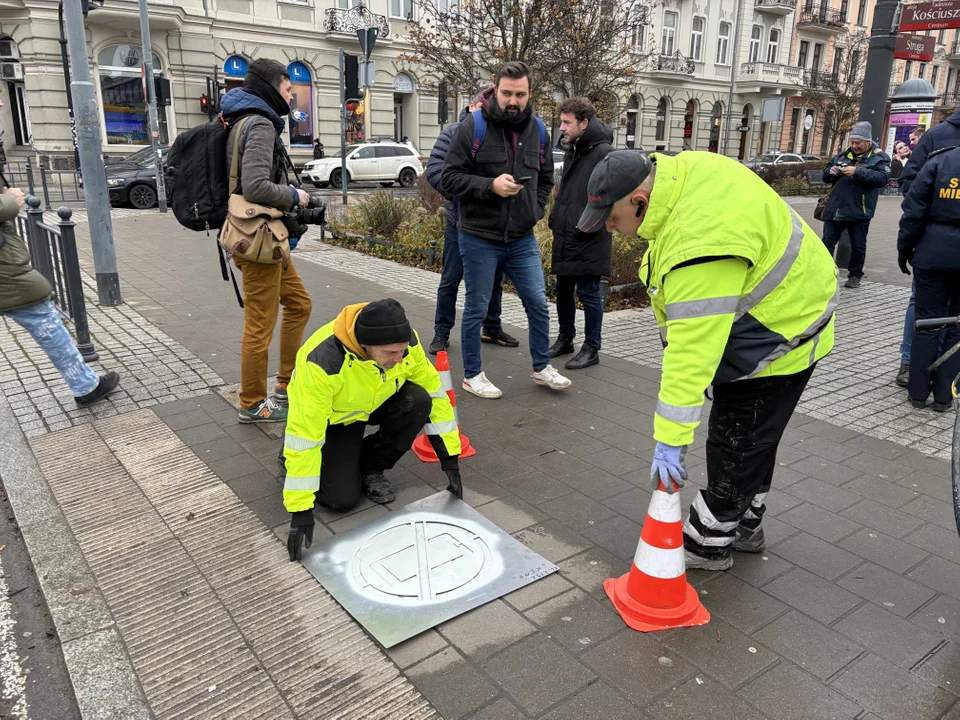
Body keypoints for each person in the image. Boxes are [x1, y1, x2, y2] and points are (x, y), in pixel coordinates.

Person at [578, 150, 837, 570]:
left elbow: (691, 355)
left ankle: (708, 545)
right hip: (789, 299)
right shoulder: (682, 174)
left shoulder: (698, 244)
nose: (610, 228)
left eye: (612, 218)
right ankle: (747, 521)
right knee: (756, 433)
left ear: (639, 202)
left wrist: (671, 439)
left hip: (783, 325)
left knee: (738, 436)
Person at [283, 299, 463, 561]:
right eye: (390, 354)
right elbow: (306, 436)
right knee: (341, 500)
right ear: (364, 345)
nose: (399, 358)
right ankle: (297, 455)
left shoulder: (404, 343)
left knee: (419, 400)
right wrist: (300, 510)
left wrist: (449, 459)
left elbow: (436, 394)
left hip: (377, 399)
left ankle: (371, 468)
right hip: (334, 419)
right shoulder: (322, 363)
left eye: (402, 351)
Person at [440, 61, 571, 398]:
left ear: (530, 95)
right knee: (477, 308)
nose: (514, 101)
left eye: (521, 94)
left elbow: (545, 178)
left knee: (538, 303)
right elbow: (448, 177)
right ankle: (472, 374)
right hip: (478, 235)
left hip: (521, 237)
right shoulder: (473, 127)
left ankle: (542, 367)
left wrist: (536, 208)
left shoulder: (538, 130)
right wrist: (489, 185)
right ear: (495, 90)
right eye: (507, 93)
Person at [221, 58, 313, 424]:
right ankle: (251, 402)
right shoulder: (258, 123)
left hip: (268, 238)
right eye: (289, 90)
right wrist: (294, 195)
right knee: (259, 325)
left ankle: (286, 385)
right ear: (272, 87)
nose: (291, 98)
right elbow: (256, 185)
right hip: (259, 239)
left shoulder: (241, 116)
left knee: (300, 304)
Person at [0, 174, 120, 407]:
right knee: (49, 328)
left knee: (47, 323)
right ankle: (86, 387)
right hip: (9, 277)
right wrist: (9, 200)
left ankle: (86, 384)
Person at [426, 93, 518, 356]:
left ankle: (491, 327)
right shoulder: (454, 133)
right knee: (451, 279)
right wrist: (468, 192)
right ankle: (442, 332)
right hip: (460, 220)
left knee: (495, 279)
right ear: (472, 107)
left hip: (493, 223)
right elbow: (435, 171)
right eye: (482, 108)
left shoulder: (503, 135)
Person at [893, 107, 960, 386]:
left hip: (931, 245)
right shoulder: (937, 135)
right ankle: (912, 365)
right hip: (931, 240)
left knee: (943, 317)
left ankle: (936, 381)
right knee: (924, 309)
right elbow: (910, 182)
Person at [547, 97, 613, 370]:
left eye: (566, 122)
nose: (561, 127)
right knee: (563, 291)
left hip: (588, 236)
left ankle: (592, 347)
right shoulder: (575, 149)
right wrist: (556, 219)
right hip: (567, 233)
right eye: (561, 122)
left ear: (584, 123)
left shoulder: (603, 152)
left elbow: (608, 197)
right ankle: (566, 338)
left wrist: (585, 225)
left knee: (588, 294)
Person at [820, 121, 891, 289]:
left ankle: (855, 276)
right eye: (852, 142)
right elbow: (825, 175)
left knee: (858, 246)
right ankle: (823, 273)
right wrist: (830, 172)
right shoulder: (843, 155)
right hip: (836, 208)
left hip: (860, 210)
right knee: (826, 244)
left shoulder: (879, 158)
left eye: (858, 143)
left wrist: (857, 172)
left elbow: (882, 179)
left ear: (868, 142)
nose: (854, 145)